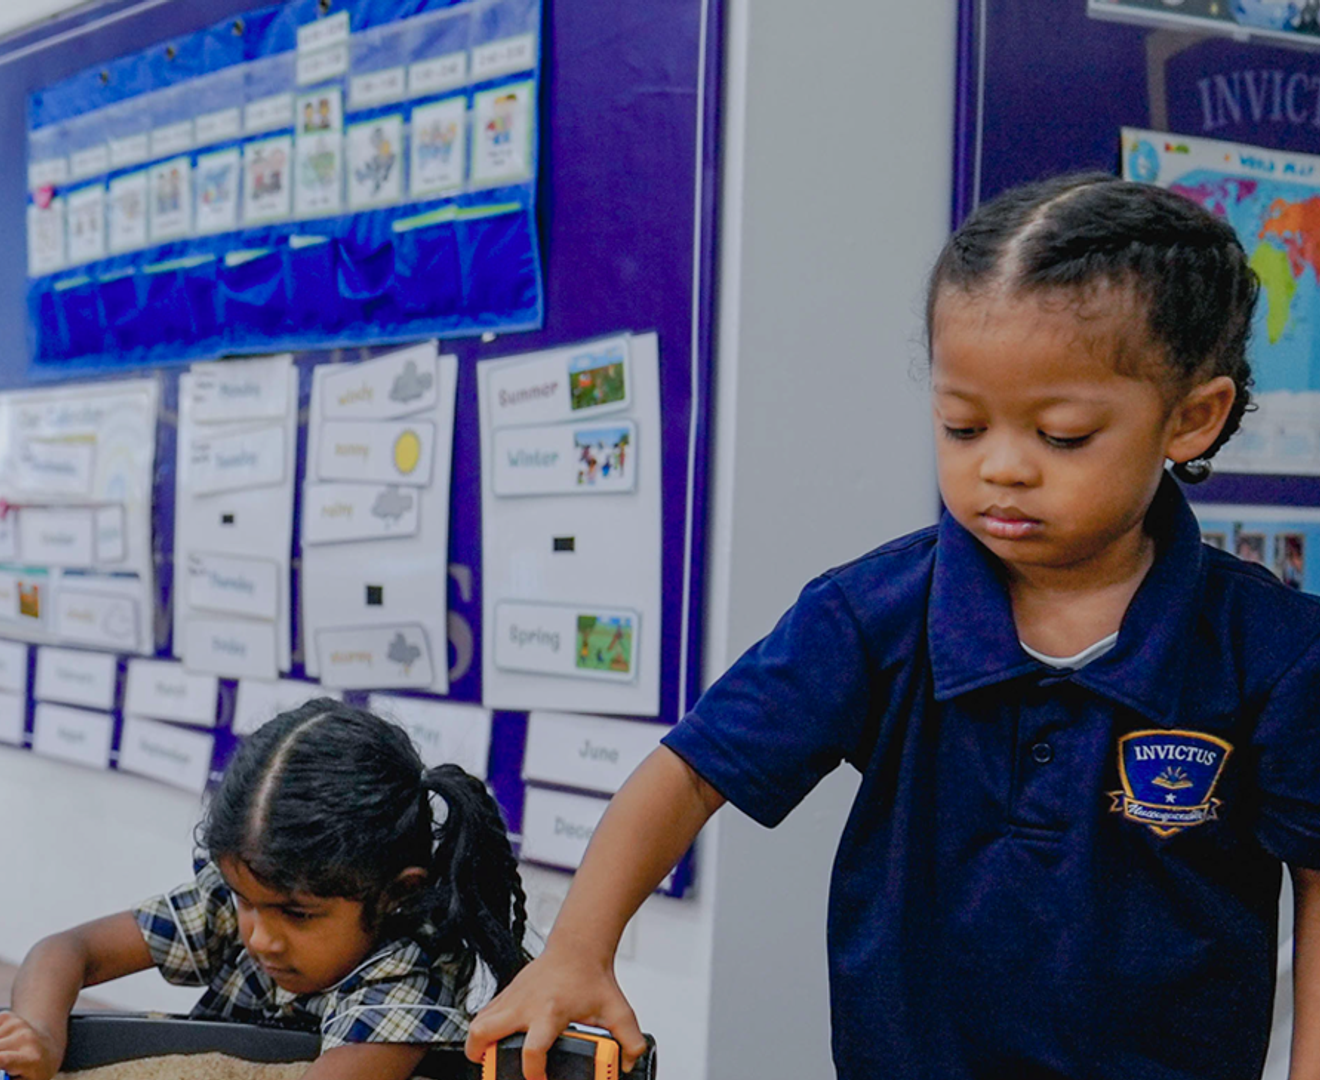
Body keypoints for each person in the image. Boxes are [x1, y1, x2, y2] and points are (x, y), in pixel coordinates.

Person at [466, 174, 1320, 1079]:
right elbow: (686, 775)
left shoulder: (1277, 651)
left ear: (1192, 420)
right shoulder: (870, 614)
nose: (1002, 468)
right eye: (961, 426)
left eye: (1062, 436)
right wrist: (577, 952)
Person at [0, 700, 529, 1080]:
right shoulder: (251, 891)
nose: (260, 937)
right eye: (245, 903)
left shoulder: (408, 978)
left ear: (395, 894)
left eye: (298, 915)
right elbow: (68, 950)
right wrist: (40, 1033)